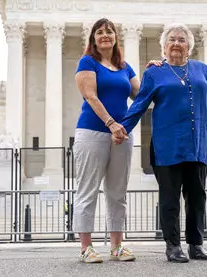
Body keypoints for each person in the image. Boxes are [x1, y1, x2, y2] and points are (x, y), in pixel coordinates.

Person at [112, 23, 207, 263]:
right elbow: (140, 104)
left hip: (198, 142)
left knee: (197, 197)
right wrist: (121, 128)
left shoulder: (203, 70)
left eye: (182, 40)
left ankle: (196, 244)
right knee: (170, 197)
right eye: (172, 39)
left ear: (189, 47)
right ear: (163, 46)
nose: (176, 43)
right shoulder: (155, 73)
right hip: (167, 144)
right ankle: (173, 246)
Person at [73, 18, 162, 263]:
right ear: (93, 38)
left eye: (109, 31)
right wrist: (112, 124)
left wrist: (156, 71)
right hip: (93, 131)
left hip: (121, 136)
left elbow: (142, 94)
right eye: (100, 32)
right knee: (87, 190)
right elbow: (90, 96)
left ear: (115, 37)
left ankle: (117, 246)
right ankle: (86, 247)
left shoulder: (124, 67)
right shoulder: (87, 62)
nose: (105, 35)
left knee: (117, 192)